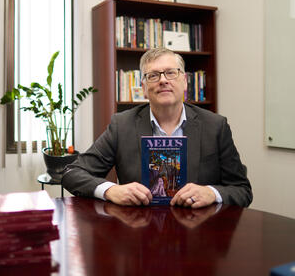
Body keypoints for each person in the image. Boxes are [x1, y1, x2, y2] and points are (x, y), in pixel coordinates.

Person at [61, 47, 252, 208]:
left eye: (171, 72)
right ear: (143, 87)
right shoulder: (122, 125)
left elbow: (242, 190)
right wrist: (111, 190)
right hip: (139, 233)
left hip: (199, 235)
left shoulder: (215, 126)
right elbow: (72, 173)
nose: (163, 80)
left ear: (184, 81)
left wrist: (212, 193)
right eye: (153, 75)